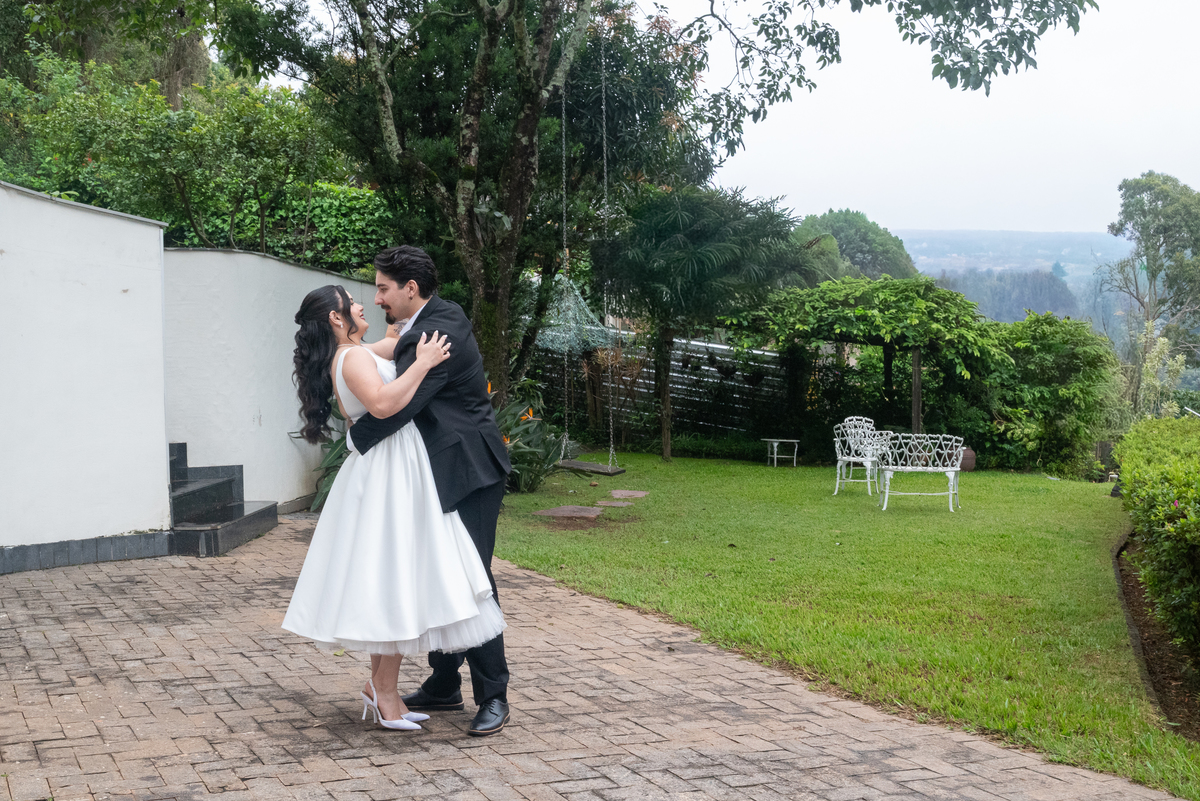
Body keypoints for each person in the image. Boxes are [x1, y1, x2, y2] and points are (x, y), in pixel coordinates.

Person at [283, 285, 507, 732]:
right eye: (354, 299)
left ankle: (387, 690)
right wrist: (423, 363)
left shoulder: (360, 350)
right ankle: (383, 692)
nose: (366, 301)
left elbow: (395, 340)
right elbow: (383, 405)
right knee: (393, 577)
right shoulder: (352, 358)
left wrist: (408, 324)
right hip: (389, 472)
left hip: (403, 468)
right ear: (335, 316)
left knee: (400, 578)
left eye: (379, 289)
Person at [347, 245, 513, 737]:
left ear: (409, 289)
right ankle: (443, 684)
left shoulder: (436, 332)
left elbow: (399, 407)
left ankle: (494, 695)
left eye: (382, 288)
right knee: (442, 569)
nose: (377, 298)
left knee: (471, 576)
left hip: (471, 470)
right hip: (436, 471)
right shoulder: (435, 319)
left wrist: (354, 441)